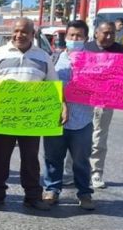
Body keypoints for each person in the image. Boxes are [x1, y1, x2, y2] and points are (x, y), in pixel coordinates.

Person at [0, 18, 62, 211]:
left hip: (32, 119)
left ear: (33, 34)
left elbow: (52, 86)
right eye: (16, 31)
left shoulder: (43, 57)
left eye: (24, 32)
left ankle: (32, 196)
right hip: (4, 117)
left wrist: (60, 108)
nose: (19, 35)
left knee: (31, 158)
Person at [41, 20, 96, 210]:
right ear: (66, 37)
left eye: (79, 36)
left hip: (83, 120)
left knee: (81, 160)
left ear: (86, 38)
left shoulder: (95, 62)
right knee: (52, 157)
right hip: (55, 119)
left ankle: (85, 193)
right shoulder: (53, 59)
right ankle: (51, 190)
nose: (74, 39)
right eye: (71, 35)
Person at [83, 21, 123, 189]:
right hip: (83, 99)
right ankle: (70, 171)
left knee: (99, 137)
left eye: (112, 34)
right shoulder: (85, 48)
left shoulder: (121, 50)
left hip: (105, 100)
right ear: (96, 33)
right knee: (77, 136)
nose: (109, 37)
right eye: (105, 33)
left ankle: (96, 172)